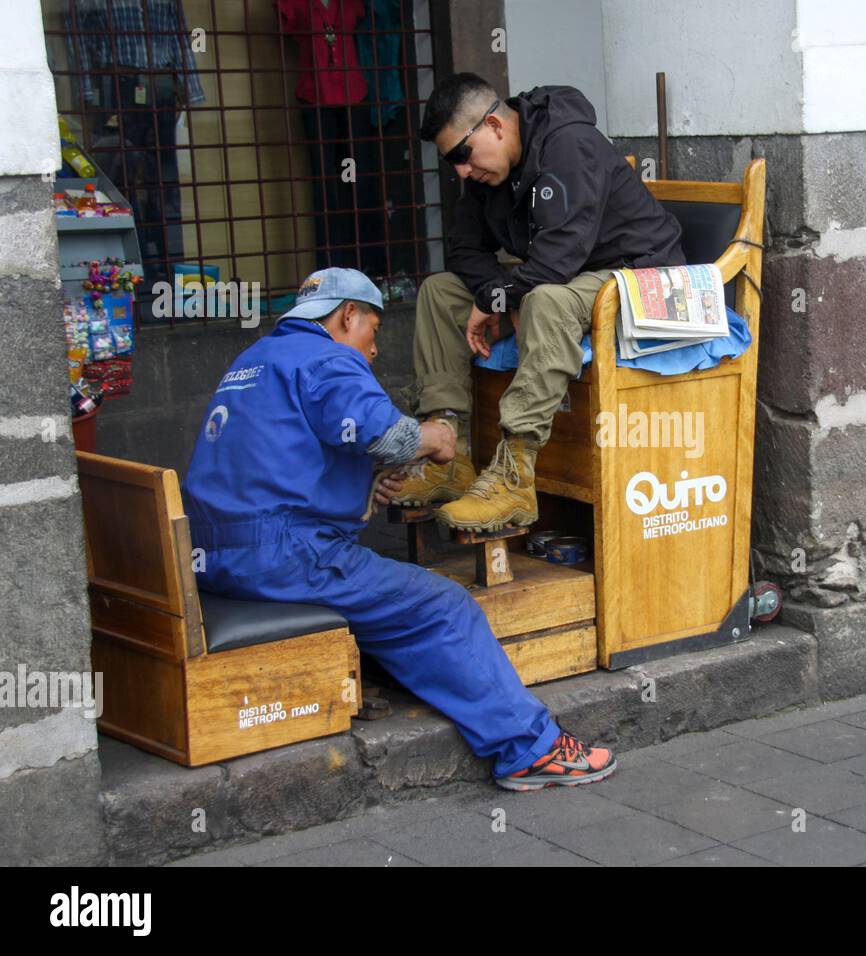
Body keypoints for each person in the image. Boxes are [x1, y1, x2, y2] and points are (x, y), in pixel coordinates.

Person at [181, 267, 616, 791]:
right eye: (374, 332)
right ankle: (528, 748)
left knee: (385, 588)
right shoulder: (330, 357)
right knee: (443, 605)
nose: (373, 349)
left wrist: (361, 482)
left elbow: (280, 456)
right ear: (347, 316)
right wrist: (436, 436)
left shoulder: (254, 359)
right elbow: (386, 437)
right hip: (282, 556)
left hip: (214, 555)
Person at [378, 73, 686, 531]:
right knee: (442, 292)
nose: (461, 171)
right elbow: (464, 249)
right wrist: (500, 298)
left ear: (495, 126)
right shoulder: (488, 171)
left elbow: (558, 258)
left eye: (462, 154)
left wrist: (507, 296)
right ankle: (449, 453)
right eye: (451, 163)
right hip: (568, 277)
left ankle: (514, 477)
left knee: (545, 300)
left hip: (642, 277)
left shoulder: (569, 145)